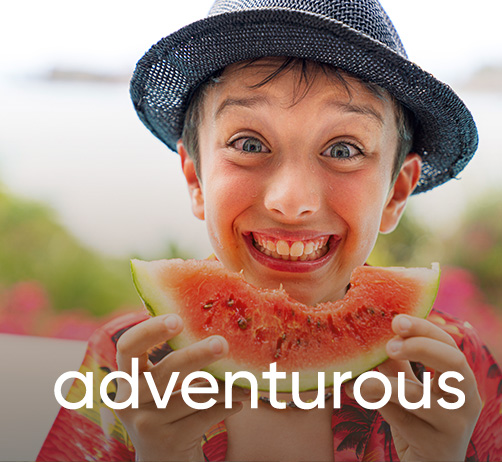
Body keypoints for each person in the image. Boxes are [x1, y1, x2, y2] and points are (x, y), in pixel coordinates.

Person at [37, 0, 502, 461]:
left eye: (343, 149)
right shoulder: (125, 367)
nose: (291, 201)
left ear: (396, 194)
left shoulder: (453, 372)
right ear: (196, 179)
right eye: (249, 144)